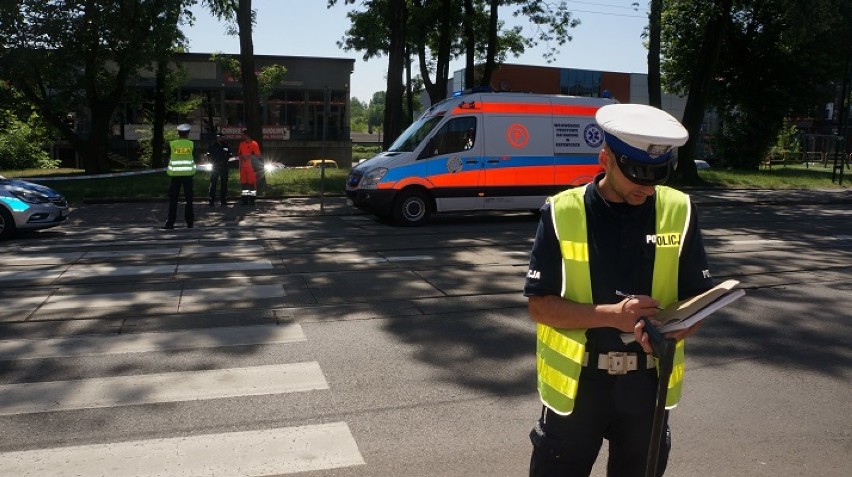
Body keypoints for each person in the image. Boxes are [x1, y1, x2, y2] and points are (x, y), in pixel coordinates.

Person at [524, 103, 715, 477]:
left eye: (657, 176)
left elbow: (697, 300)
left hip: (647, 388)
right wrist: (613, 317)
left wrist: (679, 324)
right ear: (605, 157)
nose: (647, 187)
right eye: (638, 175)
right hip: (579, 389)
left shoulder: (680, 209)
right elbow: (540, 307)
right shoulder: (562, 212)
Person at [164, 123, 197, 229]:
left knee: (173, 200)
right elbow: (194, 158)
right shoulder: (191, 144)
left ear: (178, 133)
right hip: (188, 175)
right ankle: (190, 222)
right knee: (189, 199)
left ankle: (170, 222)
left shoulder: (172, 144)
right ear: (187, 134)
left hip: (175, 175)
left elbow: (167, 158)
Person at [206, 132, 231, 206]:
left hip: (224, 166)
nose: (223, 138)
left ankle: (223, 200)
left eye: (223, 137)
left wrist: (226, 160)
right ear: (218, 138)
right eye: (221, 137)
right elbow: (208, 155)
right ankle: (211, 200)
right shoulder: (212, 145)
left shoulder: (226, 145)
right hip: (215, 166)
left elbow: (229, 154)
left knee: (224, 184)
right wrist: (211, 162)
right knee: (213, 183)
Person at [238, 129, 262, 204]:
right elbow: (239, 153)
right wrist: (242, 156)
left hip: (251, 167)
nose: (242, 136)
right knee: (244, 184)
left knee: (251, 184)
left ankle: (252, 200)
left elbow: (258, 155)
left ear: (246, 135)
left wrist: (248, 157)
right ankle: (244, 200)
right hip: (243, 167)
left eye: (243, 135)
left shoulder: (254, 144)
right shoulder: (241, 144)